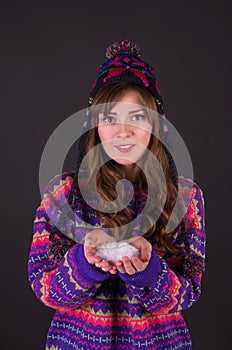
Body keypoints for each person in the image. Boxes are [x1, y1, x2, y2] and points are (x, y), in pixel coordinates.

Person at [28, 39, 206, 350]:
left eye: (136, 116)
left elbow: (187, 293)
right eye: (110, 118)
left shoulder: (186, 197)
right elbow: (46, 290)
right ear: (93, 125)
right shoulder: (62, 194)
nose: (123, 131)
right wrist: (85, 262)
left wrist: (149, 272)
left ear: (156, 124)